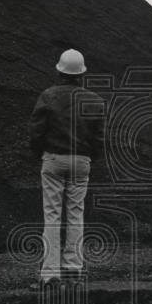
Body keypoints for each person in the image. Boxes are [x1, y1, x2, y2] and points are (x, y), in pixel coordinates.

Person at [28, 49, 106, 285]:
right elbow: (99, 138)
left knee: (52, 216)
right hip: (81, 161)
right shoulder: (95, 101)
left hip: (54, 159)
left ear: (60, 70)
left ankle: (50, 274)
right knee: (76, 214)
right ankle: (73, 269)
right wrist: (90, 158)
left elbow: (36, 131)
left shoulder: (48, 96)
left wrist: (39, 152)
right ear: (81, 74)